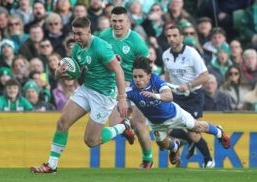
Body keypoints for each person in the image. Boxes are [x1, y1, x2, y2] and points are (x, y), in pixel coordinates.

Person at [30, 16, 133, 173]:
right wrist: (59, 73)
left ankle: (122, 126)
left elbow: (119, 71)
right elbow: (74, 74)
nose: (76, 38)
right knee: (62, 123)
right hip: (87, 89)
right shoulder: (77, 48)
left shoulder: (100, 48)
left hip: (104, 95)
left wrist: (122, 99)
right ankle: (52, 165)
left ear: (89, 32)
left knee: (91, 141)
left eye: (79, 34)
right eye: (74, 34)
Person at [127, 57, 230, 166]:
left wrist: (156, 96)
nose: (137, 80)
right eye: (135, 77)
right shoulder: (132, 89)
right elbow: (120, 97)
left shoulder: (156, 80)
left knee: (196, 127)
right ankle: (175, 147)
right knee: (162, 144)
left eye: (141, 76)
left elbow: (169, 96)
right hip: (156, 122)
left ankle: (219, 132)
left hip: (174, 115)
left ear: (149, 75)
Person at [99, 6, 154, 168]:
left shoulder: (136, 40)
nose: (117, 24)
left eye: (120, 21)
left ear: (128, 22)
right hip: (116, 86)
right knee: (114, 125)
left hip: (138, 86)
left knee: (139, 124)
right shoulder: (104, 37)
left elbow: (147, 67)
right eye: (114, 21)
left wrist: (138, 83)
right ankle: (125, 127)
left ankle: (147, 159)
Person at [162, 25, 214, 168]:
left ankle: (209, 160)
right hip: (176, 96)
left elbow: (205, 76)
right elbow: (168, 75)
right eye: (168, 36)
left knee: (194, 130)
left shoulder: (192, 53)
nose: (171, 39)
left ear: (181, 37)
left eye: (174, 35)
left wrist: (189, 85)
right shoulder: (165, 54)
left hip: (193, 96)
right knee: (165, 127)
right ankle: (187, 140)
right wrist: (165, 90)